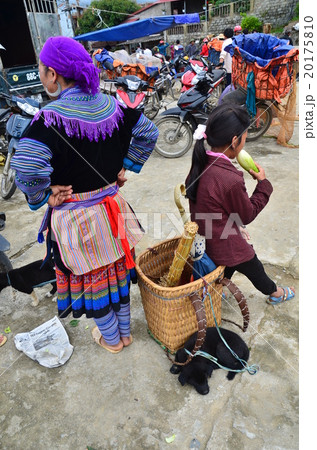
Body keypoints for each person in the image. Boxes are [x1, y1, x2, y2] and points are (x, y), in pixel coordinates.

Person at [11, 36, 159, 353]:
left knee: (93, 281)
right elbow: (148, 132)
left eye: (40, 68)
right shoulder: (114, 106)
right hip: (113, 209)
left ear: (53, 74)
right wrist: (123, 166)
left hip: (78, 217)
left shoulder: (48, 118)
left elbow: (24, 167)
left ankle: (111, 339)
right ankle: (125, 334)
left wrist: (44, 194)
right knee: (116, 271)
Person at [185, 104, 295, 305]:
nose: (244, 143)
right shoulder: (229, 178)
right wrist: (263, 184)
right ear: (234, 140)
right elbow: (247, 214)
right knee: (251, 263)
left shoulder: (200, 161)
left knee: (228, 263)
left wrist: (236, 225)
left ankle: (217, 288)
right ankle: (275, 292)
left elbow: (215, 205)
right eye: (244, 138)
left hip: (206, 236)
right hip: (222, 240)